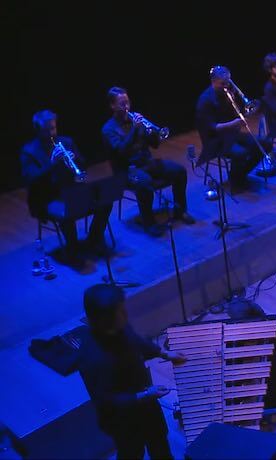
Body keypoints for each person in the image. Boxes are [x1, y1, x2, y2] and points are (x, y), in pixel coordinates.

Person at [78, 283, 187, 459]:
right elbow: (107, 401)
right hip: (122, 420)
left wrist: (164, 353)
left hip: (145, 402)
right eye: (120, 311)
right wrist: (144, 394)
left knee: (159, 442)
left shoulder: (117, 326)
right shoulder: (94, 358)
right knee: (132, 453)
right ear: (103, 319)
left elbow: (134, 340)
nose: (125, 315)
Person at [21, 110, 113, 266]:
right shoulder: (29, 151)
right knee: (68, 210)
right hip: (46, 198)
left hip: (70, 190)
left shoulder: (66, 141)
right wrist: (52, 163)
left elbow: (83, 164)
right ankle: (73, 248)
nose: (52, 133)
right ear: (38, 130)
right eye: (47, 130)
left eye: (53, 128)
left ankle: (94, 238)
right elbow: (31, 180)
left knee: (105, 200)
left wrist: (75, 159)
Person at [102, 87, 194, 237]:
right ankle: (149, 223)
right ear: (112, 106)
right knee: (144, 183)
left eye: (127, 102)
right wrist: (135, 129)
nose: (126, 106)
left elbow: (155, 145)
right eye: (122, 104)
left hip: (146, 163)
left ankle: (180, 211)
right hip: (127, 170)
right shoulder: (108, 129)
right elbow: (121, 151)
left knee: (179, 171)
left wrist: (154, 134)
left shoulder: (135, 120)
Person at [195, 65, 267, 189]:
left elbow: (236, 114)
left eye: (228, 82)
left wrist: (245, 113)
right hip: (214, 139)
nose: (226, 86)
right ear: (213, 81)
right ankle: (236, 180)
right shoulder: (205, 100)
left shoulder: (227, 92)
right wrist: (235, 123)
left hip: (231, 134)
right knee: (241, 153)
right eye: (223, 83)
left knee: (264, 144)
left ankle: (240, 175)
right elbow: (212, 128)